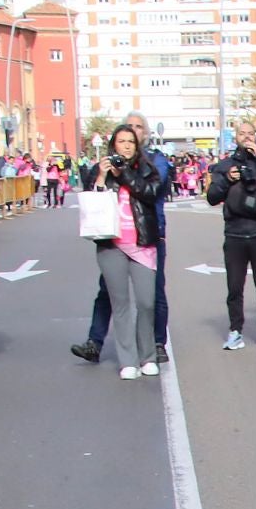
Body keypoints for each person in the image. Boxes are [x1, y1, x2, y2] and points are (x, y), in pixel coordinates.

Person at [69, 112, 171, 366]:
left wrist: (124, 172)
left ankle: (155, 344)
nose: (128, 141)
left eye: (136, 130)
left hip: (147, 236)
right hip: (112, 241)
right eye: (123, 138)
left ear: (143, 135)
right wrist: (102, 176)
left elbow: (152, 190)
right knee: (112, 295)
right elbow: (92, 200)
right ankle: (97, 343)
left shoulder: (154, 162)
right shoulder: (103, 167)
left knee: (150, 297)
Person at [206, 120, 256, 352]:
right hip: (234, 234)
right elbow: (212, 197)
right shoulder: (226, 165)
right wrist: (227, 179)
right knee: (234, 288)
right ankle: (235, 331)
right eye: (242, 134)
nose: (246, 137)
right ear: (235, 137)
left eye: (250, 133)